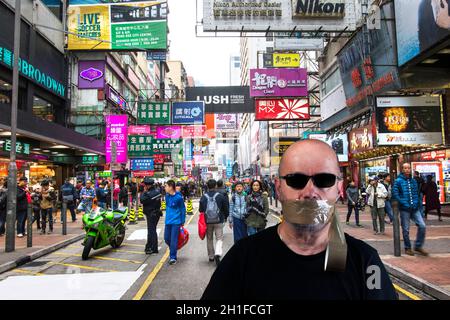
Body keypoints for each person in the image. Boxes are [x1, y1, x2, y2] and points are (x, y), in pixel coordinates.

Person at [202, 140, 397, 300]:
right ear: (278, 188)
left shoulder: (366, 262)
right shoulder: (241, 259)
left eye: (324, 180)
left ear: (339, 189)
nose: (310, 192)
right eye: (296, 180)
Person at [393, 163, 429, 256]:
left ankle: (418, 246)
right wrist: (404, 203)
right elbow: (395, 194)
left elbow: (416, 194)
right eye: (405, 168)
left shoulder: (413, 181)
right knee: (406, 230)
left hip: (415, 208)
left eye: (409, 168)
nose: (407, 170)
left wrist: (416, 203)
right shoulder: (398, 181)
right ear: (402, 169)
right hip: (405, 209)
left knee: (422, 226)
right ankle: (407, 248)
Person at [199, 179, 229, 266]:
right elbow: (225, 208)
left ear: (207, 186)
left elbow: (201, 210)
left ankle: (211, 256)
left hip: (207, 221)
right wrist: (226, 217)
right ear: (215, 186)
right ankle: (218, 253)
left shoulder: (203, 197)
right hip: (219, 220)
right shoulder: (220, 196)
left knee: (209, 238)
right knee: (219, 238)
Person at [164, 180, 186, 265]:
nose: (165, 188)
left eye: (166, 186)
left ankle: (173, 257)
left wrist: (182, 220)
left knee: (173, 240)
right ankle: (173, 248)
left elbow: (182, 209)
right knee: (166, 238)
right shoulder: (166, 196)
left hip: (176, 222)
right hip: (168, 221)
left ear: (170, 187)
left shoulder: (179, 198)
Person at [140, 178, 162, 255]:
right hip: (156, 213)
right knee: (152, 230)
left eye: (145, 185)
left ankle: (153, 248)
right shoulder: (157, 191)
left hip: (151, 213)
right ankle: (149, 246)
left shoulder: (148, 193)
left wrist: (144, 192)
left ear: (147, 185)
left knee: (151, 231)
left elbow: (142, 200)